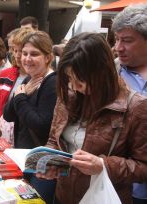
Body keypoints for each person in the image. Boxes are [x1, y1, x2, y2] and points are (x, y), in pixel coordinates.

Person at [36, 32, 147, 204]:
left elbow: (143, 167)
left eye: (80, 79)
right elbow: (54, 139)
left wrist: (103, 165)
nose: (74, 86)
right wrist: (50, 162)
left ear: (102, 72)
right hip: (63, 195)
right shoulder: (69, 95)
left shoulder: (136, 106)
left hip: (102, 197)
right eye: (69, 78)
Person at [3, 31, 57, 203]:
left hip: (42, 165)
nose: (27, 59)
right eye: (25, 53)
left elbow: (41, 125)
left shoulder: (52, 83)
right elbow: (8, 115)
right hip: (25, 159)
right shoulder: (29, 78)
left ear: (48, 57)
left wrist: (20, 98)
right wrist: (21, 95)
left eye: (34, 54)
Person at [111, 4, 147, 203]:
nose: (118, 47)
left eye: (127, 40)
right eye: (117, 39)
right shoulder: (108, 74)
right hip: (119, 182)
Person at [0, 27, 32, 144]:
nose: (18, 55)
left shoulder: (37, 78)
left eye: (22, 51)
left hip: (24, 135)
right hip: (2, 131)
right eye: (14, 50)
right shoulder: (5, 74)